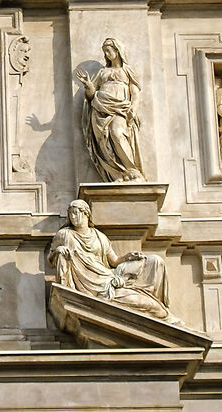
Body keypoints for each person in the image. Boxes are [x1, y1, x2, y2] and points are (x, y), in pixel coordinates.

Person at [46, 200, 169, 317]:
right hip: (87, 281)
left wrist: (128, 257)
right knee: (142, 302)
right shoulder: (64, 234)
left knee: (155, 261)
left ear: (86, 213)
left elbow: (114, 261)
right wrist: (57, 251)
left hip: (106, 274)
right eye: (71, 214)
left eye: (76, 213)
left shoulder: (99, 236)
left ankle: (151, 295)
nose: (73, 217)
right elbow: (50, 260)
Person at [80, 38, 145, 181]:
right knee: (104, 139)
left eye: (108, 51)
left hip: (120, 109)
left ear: (117, 51)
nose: (106, 55)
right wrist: (88, 86)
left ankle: (132, 169)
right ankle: (118, 173)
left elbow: (135, 92)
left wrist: (133, 108)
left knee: (117, 133)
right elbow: (91, 94)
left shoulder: (126, 70)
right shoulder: (103, 72)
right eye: (104, 52)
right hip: (100, 109)